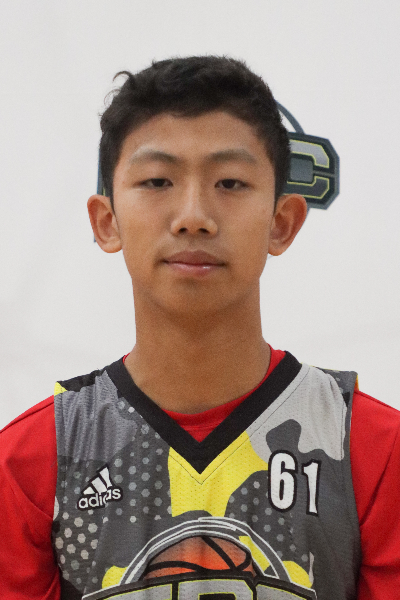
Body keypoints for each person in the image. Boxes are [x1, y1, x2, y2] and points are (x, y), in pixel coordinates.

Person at [1, 56, 399, 600]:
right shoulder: (32, 461)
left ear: (282, 222)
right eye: (157, 181)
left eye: (230, 182)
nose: (193, 216)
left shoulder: (372, 449)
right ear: (107, 222)